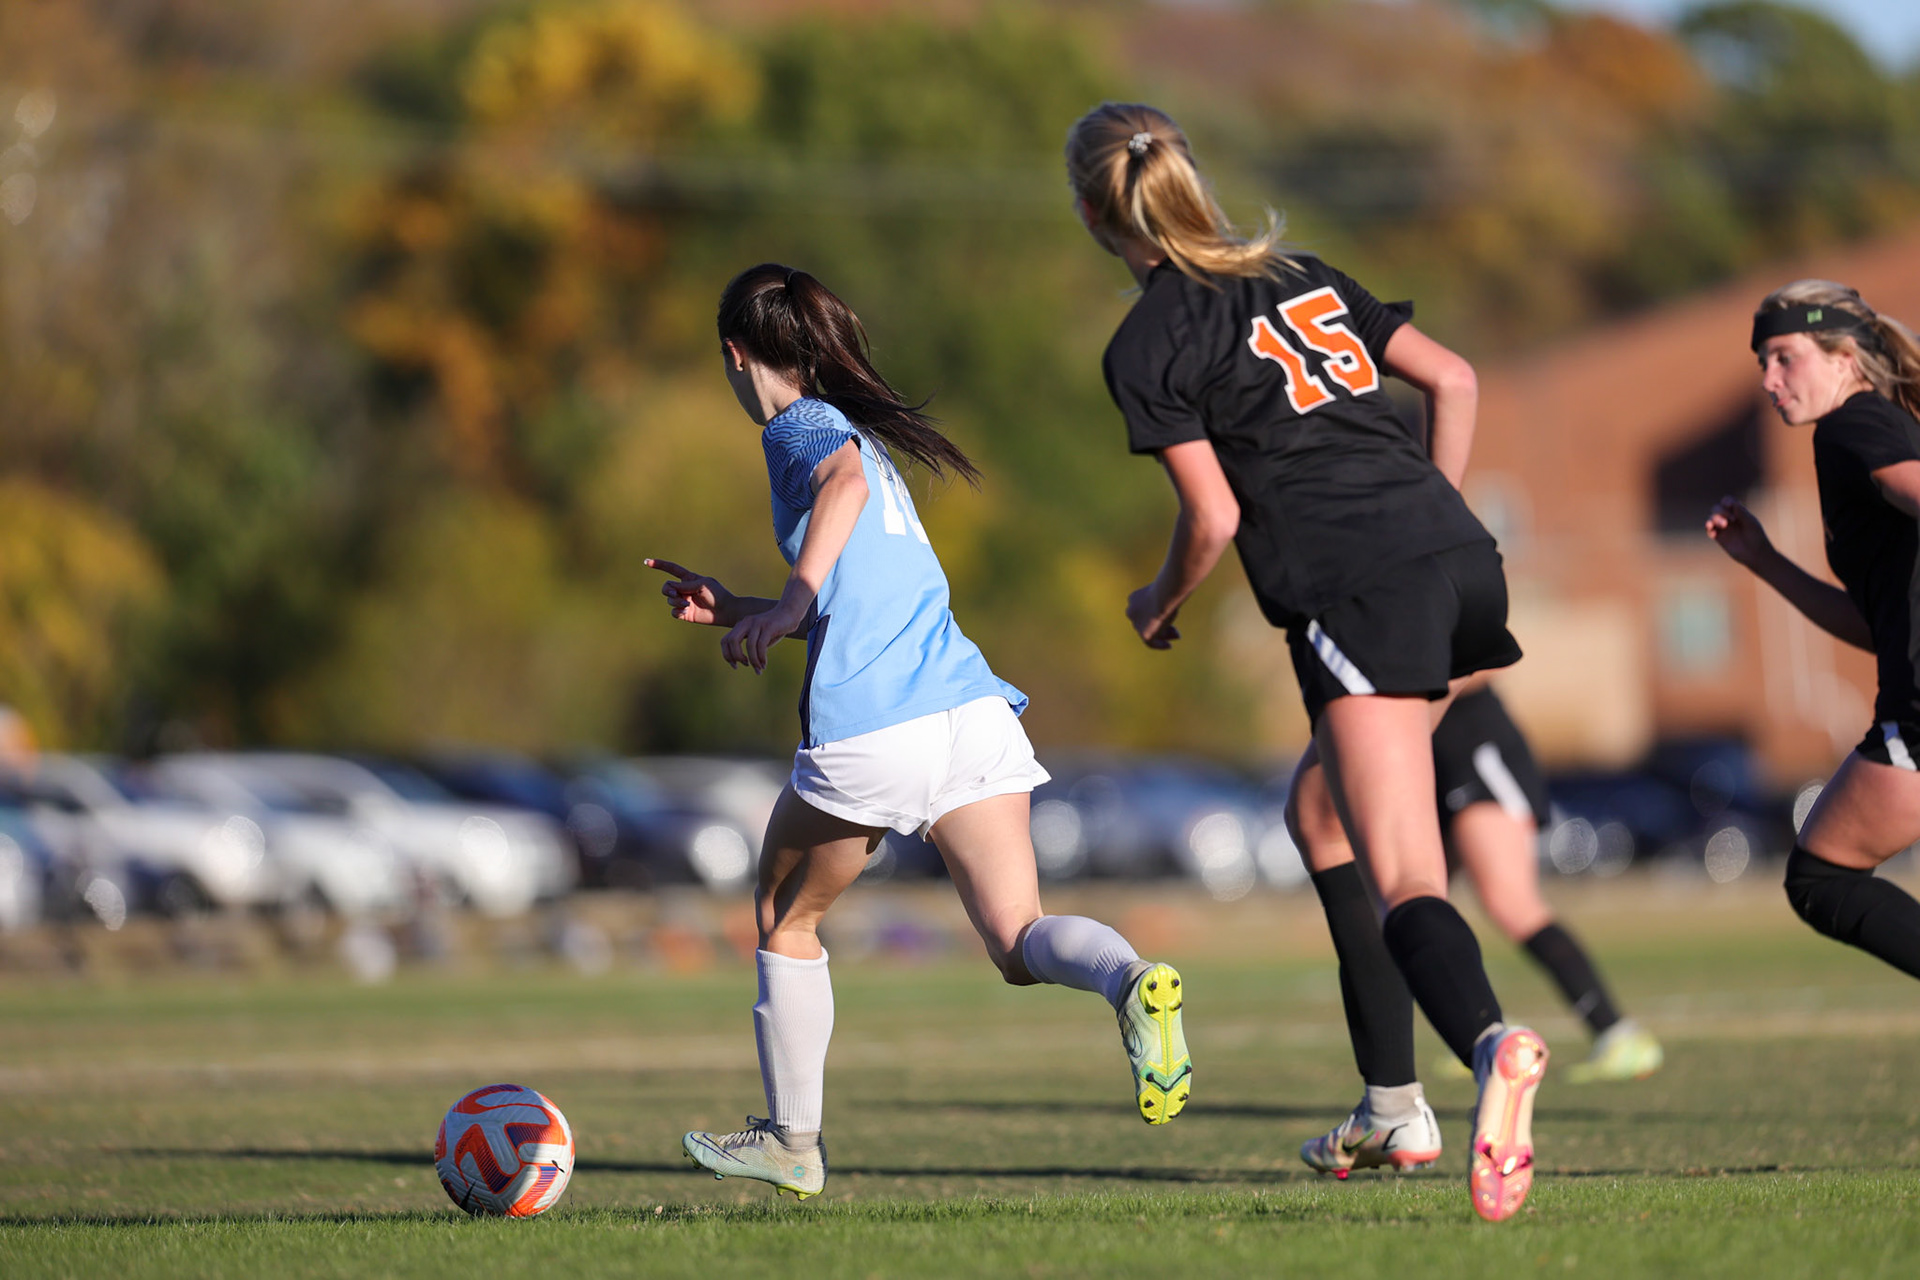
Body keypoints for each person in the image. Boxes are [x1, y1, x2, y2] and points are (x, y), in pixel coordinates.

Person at [1065, 102, 1546, 1222]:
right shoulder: (1300, 271)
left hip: (1360, 590)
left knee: (1407, 873)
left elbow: (1214, 516)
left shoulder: (1146, 341)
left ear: (1094, 211)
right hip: (1461, 561)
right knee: (1322, 815)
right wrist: (1438, 520)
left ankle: (1492, 1044)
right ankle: (1391, 1104)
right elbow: (1458, 379)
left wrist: (1156, 600)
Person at [647, 263, 1192, 1201]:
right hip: (969, 712)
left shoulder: (803, 428)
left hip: (876, 726)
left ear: (737, 356)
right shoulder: (858, 433)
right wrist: (744, 605)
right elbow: (855, 571)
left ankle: (793, 1141)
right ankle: (1131, 981)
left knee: (788, 917)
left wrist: (785, 605)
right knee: (1019, 939)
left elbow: (841, 486)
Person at [1291, 681, 1661, 1178]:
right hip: (1425, 754)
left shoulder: (1425, 639)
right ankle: (1452, 1054)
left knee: (1507, 901)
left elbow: (1474, 655)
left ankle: (1594, 1033)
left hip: (1473, 746)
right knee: (1403, 891)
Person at [1707, 279, 1920, 991]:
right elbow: (1876, 628)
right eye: (1762, 363)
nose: (1769, 380)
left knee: (1824, 876)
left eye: (1785, 357)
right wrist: (1764, 561)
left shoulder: (1852, 426)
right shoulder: (1870, 433)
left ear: (1845, 358)